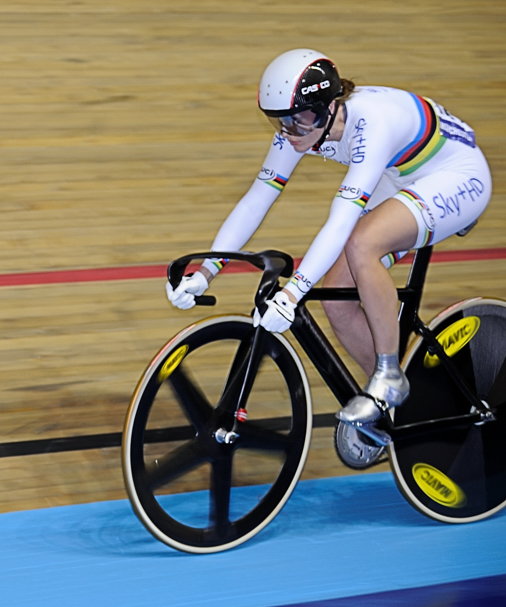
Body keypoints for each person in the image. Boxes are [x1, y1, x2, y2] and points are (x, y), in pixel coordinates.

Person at [166, 49, 492, 468]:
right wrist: (207, 271)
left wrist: (294, 292)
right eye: (278, 120)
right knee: (338, 297)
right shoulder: (302, 126)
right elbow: (256, 198)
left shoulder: (370, 123)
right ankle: (409, 401)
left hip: (456, 176)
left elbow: (342, 220)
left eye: (297, 120)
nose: (287, 131)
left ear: (327, 109)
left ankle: (389, 376)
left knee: (361, 245)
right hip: (401, 175)